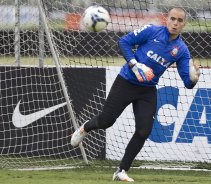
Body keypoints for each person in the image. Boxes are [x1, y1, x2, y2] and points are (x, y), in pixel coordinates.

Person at [71, 7, 200, 182]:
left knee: (144, 130)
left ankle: (121, 171)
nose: (175, 23)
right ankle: (85, 127)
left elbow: (187, 83)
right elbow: (124, 42)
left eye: (179, 21)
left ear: (184, 24)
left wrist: (194, 78)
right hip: (126, 81)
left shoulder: (182, 50)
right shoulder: (152, 31)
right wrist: (134, 64)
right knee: (106, 121)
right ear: (167, 19)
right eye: (173, 19)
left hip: (147, 90)